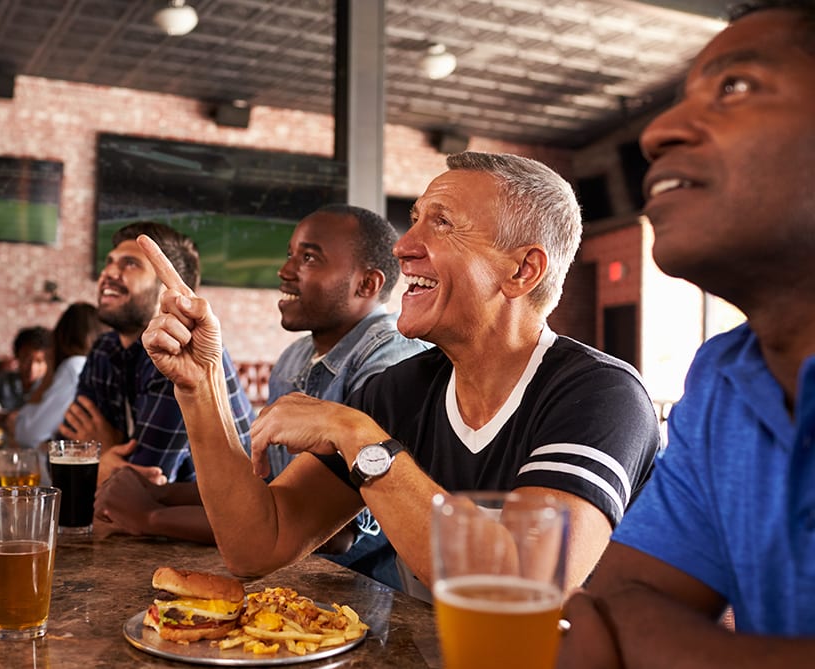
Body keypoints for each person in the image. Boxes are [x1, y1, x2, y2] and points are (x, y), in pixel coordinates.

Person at [138, 151, 661, 594]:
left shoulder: (600, 394)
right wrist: (199, 382)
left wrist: (357, 435)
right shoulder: (399, 391)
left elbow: (522, 582)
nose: (403, 246)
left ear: (522, 271)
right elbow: (257, 544)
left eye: (442, 223)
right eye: (414, 219)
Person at [558, 3, 815, 666]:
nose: (657, 132)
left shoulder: (596, 387)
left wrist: (662, 643)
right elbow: (611, 605)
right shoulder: (725, 379)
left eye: (736, 86)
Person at [93, 205, 429, 558]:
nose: (284, 271)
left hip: (366, 596)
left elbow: (330, 532)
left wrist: (151, 515)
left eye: (309, 258)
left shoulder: (392, 360)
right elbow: (270, 492)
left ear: (367, 284)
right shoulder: (293, 359)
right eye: (290, 255)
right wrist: (157, 492)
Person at [59, 221, 254, 486]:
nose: (108, 273)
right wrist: (104, 461)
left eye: (130, 264)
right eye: (109, 261)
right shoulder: (105, 349)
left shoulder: (181, 356)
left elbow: (144, 486)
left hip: (218, 520)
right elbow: (71, 446)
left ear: (169, 291)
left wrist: (104, 452)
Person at [11, 302, 109, 448]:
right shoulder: (97, 366)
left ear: (61, 336)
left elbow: (28, 434)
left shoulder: (74, 367)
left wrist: (45, 382)